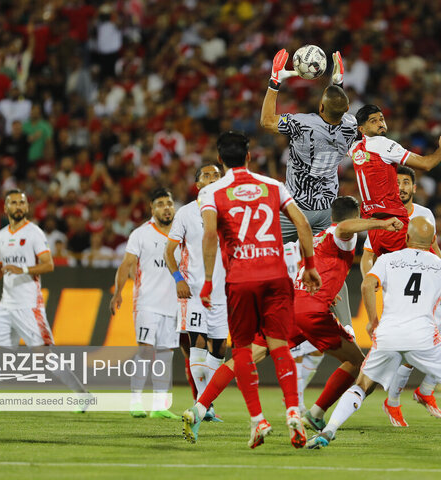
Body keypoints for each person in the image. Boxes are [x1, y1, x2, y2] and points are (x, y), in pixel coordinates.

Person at [306, 216, 441, 454]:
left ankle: (329, 430)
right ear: (433, 241)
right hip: (423, 337)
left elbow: (367, 284)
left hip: (388, 335)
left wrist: (372, 321)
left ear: (407, 238)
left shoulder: (388, 259)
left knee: (362, 385)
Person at [183, 131, 322, 449]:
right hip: (275, 276)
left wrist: (207, 280)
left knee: (243, 351)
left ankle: (258, 419)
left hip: (241, 279)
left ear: (220, 159)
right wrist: (310, 265)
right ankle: (291, 412)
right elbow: (302, 223)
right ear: (248, 156)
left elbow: (208, 237)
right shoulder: (273, 186)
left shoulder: (212, 192)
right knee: (279, 346)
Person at [285, 196, 403, 433]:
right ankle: (317, 412)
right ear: (357, 215)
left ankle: (202, 406)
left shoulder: (319, 237)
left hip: (294, 305)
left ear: (330, 215)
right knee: (358, 362)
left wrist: (325, 292)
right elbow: (345, 227)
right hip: (312, 310)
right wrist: (381, 223)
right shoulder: (341, 236)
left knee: (254, 353)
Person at [259, 48, 356, 329]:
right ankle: (347, 325)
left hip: (295, 211)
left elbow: (266, 121)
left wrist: (274, 81)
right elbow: (340, 110)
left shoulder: (302, 124)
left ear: (321, 107)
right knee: (332, 268)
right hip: (326, 211)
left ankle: (266, 319)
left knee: (263, 254)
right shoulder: (351, 127)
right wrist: (337, 83)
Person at [360, 165, 441, 425]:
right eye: (396, 183)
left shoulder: (425, 214)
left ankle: (423, 392)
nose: (401, 187)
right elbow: (367, 255)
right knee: (410, 349)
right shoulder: (383, 215)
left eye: (405, 183)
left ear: (413, 188)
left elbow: (433, 246)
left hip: (429, 288)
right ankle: (392, 402)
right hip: (404, 294)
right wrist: (371, 279)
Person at [0, 190, 88, 410]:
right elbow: (0, 267)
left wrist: (24, 269)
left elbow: (49, 264)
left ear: (27, 207)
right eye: (14, 203)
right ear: (5, 208)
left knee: (44, 357)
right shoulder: (1, 235)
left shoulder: (34, 232)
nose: (19, 206)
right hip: (6, 303)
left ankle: (82, 394)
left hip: (28, 305)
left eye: (22, 203)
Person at [109, 188, 179, 420]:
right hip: (147, 302)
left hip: (172, 304)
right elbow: (126, 265)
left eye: (169, 203)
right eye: (160, 204)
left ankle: (159, 405)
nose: (166, 208)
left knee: (165, 353)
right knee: (145, 350)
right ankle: (136, 400)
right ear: (152, 208)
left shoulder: (181, 233)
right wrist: (118, 292)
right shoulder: (141, 234)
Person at [350, 104, 441, 257]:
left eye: (381, 119)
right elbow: (426, 164)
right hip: (394, 225)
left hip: (375, 230)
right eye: (373, 121)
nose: (380, 123)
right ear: (362, 129)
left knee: (396, 277)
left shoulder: (354, 148)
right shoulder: (382, 144)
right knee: (434, 266)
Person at [164, 162, 225, 421]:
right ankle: (204, 406)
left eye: (217, 175)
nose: (212, 179)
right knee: (198, 342)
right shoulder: (187, 213)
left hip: (224, 290)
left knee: (220, 349)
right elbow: (168, 251)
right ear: (197, 184)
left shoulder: (232, 210)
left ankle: (204, 402)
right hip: (196, 289)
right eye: (206, 176)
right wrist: (178, 278)